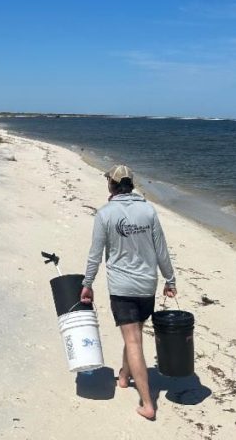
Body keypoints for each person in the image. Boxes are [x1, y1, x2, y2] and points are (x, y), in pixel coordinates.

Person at [81, 164, 177, 421]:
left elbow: (95, 255)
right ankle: (124, 377)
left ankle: (148, 403)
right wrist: (170, 279)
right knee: (133, 332)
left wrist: (87, 283)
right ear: (130, 184)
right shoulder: (148, 210)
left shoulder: (105, 214)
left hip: (123, 288)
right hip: (147, 286)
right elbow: (162, 251)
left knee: (133, 339)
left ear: (111, 185)